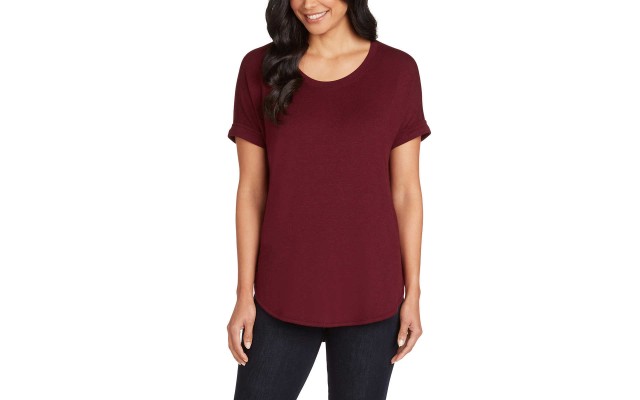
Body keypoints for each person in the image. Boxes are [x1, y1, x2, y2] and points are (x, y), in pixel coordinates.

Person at [226, 1, 431, 399]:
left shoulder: (398, 71)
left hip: (371, 295)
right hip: (281, 293)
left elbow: (406, 192)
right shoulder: (259, 68)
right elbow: (251, 191)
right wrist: (243, 294)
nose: (308, 4)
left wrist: (414, 294)